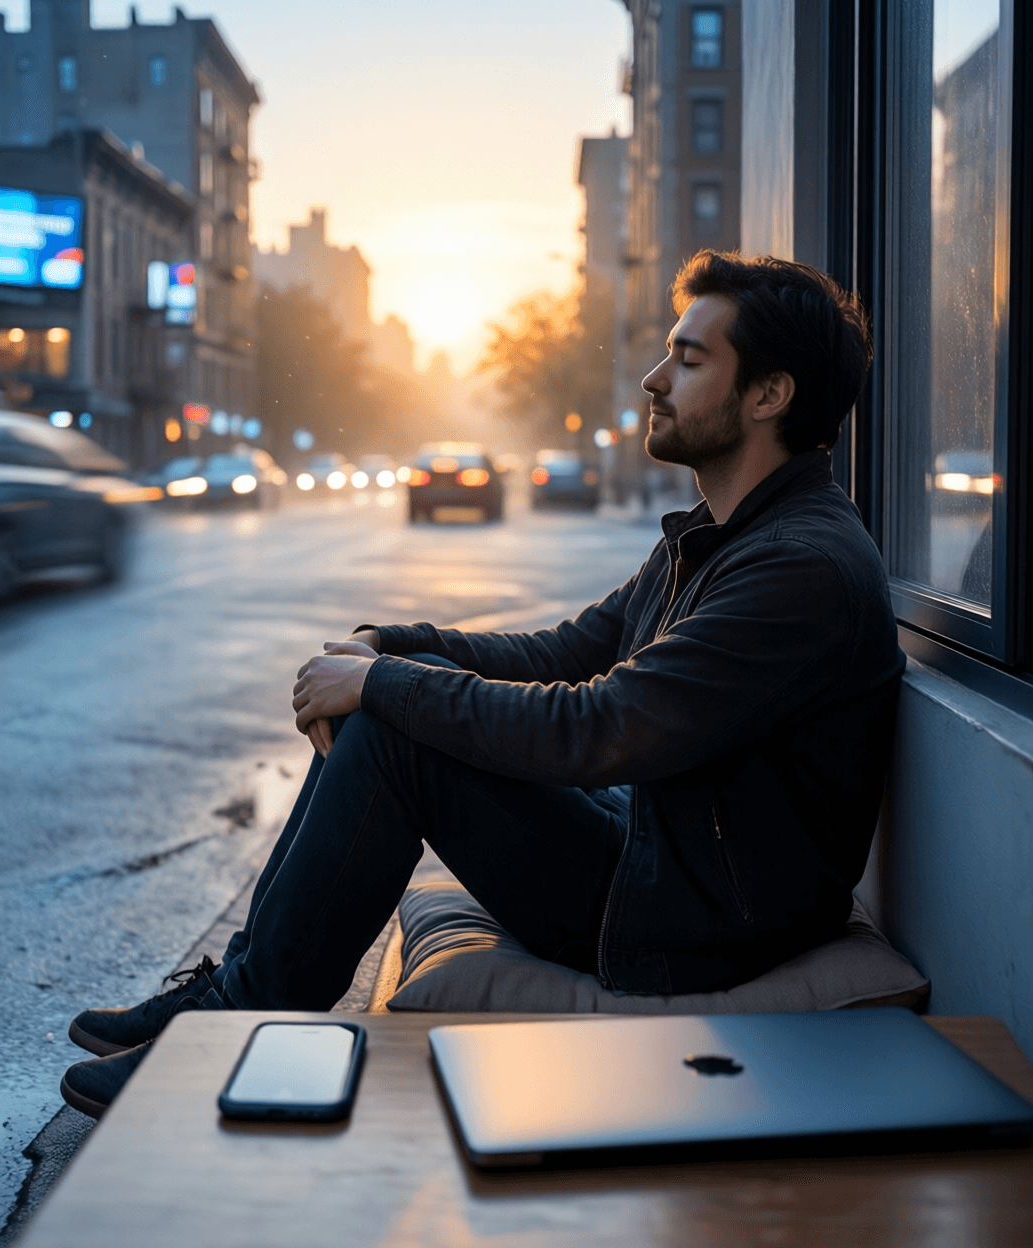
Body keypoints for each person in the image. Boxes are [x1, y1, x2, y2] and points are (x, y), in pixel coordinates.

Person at [60, 252, 905, 1118]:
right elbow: (568, 650)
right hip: (665, 864)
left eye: (689, 361)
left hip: (693, 924)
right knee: (395, 693)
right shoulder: (722, 538)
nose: (654, 379)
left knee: (394, 728)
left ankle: (237, 1022)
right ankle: (237, 988)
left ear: (768, 396)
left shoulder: (797, 568)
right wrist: (392, 644)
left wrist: (382, 684)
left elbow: (601, 728)